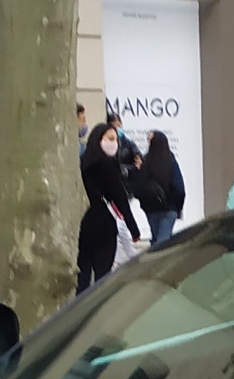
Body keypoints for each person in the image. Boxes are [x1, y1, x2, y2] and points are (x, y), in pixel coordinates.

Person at [76, 120, 137, 291]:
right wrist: (133, 228)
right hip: (103, 223)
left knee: (83, 275)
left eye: (116, 140)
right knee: (102, 278)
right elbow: (119, 196)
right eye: (110, 138)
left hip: (84, 224)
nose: (114, 143)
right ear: (99, 140)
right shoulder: (107, 164)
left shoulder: (83, 162)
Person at [136, 129, 185, 244]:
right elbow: (179, 188)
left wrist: (144, 205)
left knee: (156, 239)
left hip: (151, 209)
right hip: (169, 207)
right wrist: (177, 207)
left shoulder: (145, 163)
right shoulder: (171, 162)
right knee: (163, 241)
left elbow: (138, 188)